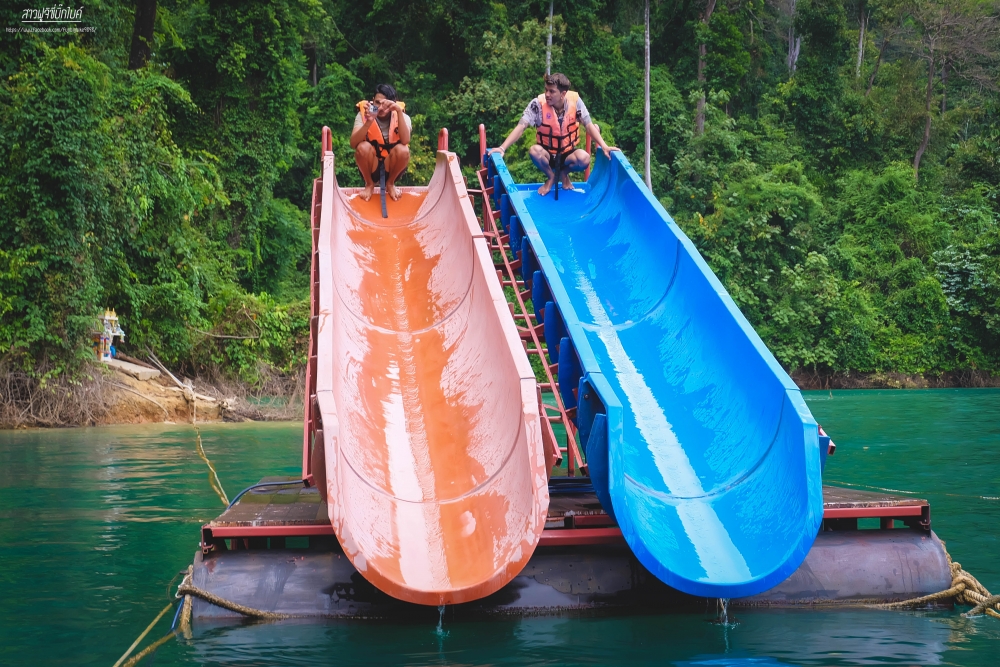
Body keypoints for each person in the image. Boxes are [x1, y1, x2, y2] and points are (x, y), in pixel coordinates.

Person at [490, 73, 619, 197]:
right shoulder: (537, 104)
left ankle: (563, 173)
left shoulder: (575, 101)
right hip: (547, 153)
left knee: (584, 158)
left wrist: (604, 146)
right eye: (546, 90)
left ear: (563, 94)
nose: (547, 94)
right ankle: (551, 177)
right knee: (534, 151)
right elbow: (521, 126)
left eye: (552, 91)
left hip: (567, 154)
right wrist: (502, 148)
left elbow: (589, 125)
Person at [350, 84, 411, 201]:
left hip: (392, 166)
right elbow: (353, 143)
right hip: (371, 166)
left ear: (393, 104)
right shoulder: (363, 115)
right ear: (373, 101)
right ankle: (369, 184)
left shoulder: (402, 116)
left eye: (386, 104)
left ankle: (390, 184)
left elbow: (405, 140)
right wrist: (369, 122)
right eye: (377, 103)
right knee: (362, 147)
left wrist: (398, 111)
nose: (381, 108)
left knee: (403, 149)